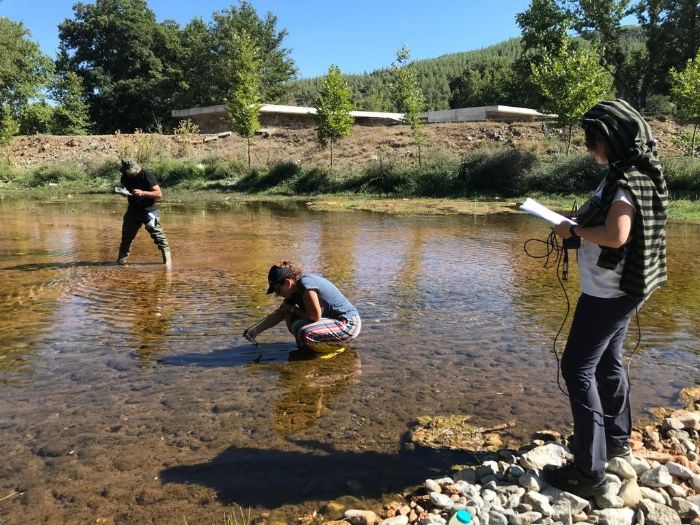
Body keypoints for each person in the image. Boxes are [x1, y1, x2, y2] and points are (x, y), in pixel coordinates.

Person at [546, 99, 668, 497]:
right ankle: (616, 442)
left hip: (609, 293)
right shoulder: (629, 173)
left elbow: (617, 236)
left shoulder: (627, 181)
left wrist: (575, 232)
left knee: (577, 369)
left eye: (593, 140)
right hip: (624, 290)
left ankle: (588, 471)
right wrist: (575, 226)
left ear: (613, 140)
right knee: (608, 364)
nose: (589, 147)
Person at [243, 261, 361, 356]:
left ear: (288, 283)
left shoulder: (306, 285)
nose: (277, 295)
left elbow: (315, 316)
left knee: (305, 331)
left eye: (277, 290)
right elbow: (279, 314)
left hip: (348, 323)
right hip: (332, 322)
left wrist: (292, 309)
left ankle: (331, 349)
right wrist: (255, 331)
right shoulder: (294, 291)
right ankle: (308, 351)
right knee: (289, 316)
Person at [116, 157, 171, 267]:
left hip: (148, 211)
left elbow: (159, 194)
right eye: (129, 172)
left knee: (159, 236)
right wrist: (123, 192)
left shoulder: (146, 175)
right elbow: (125, 187)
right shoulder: (125, 176)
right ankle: (121, 263)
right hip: (132, 211)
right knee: (126, 238)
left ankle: (168, 263)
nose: (132, 174)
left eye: (133, 172)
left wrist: (143, 193)